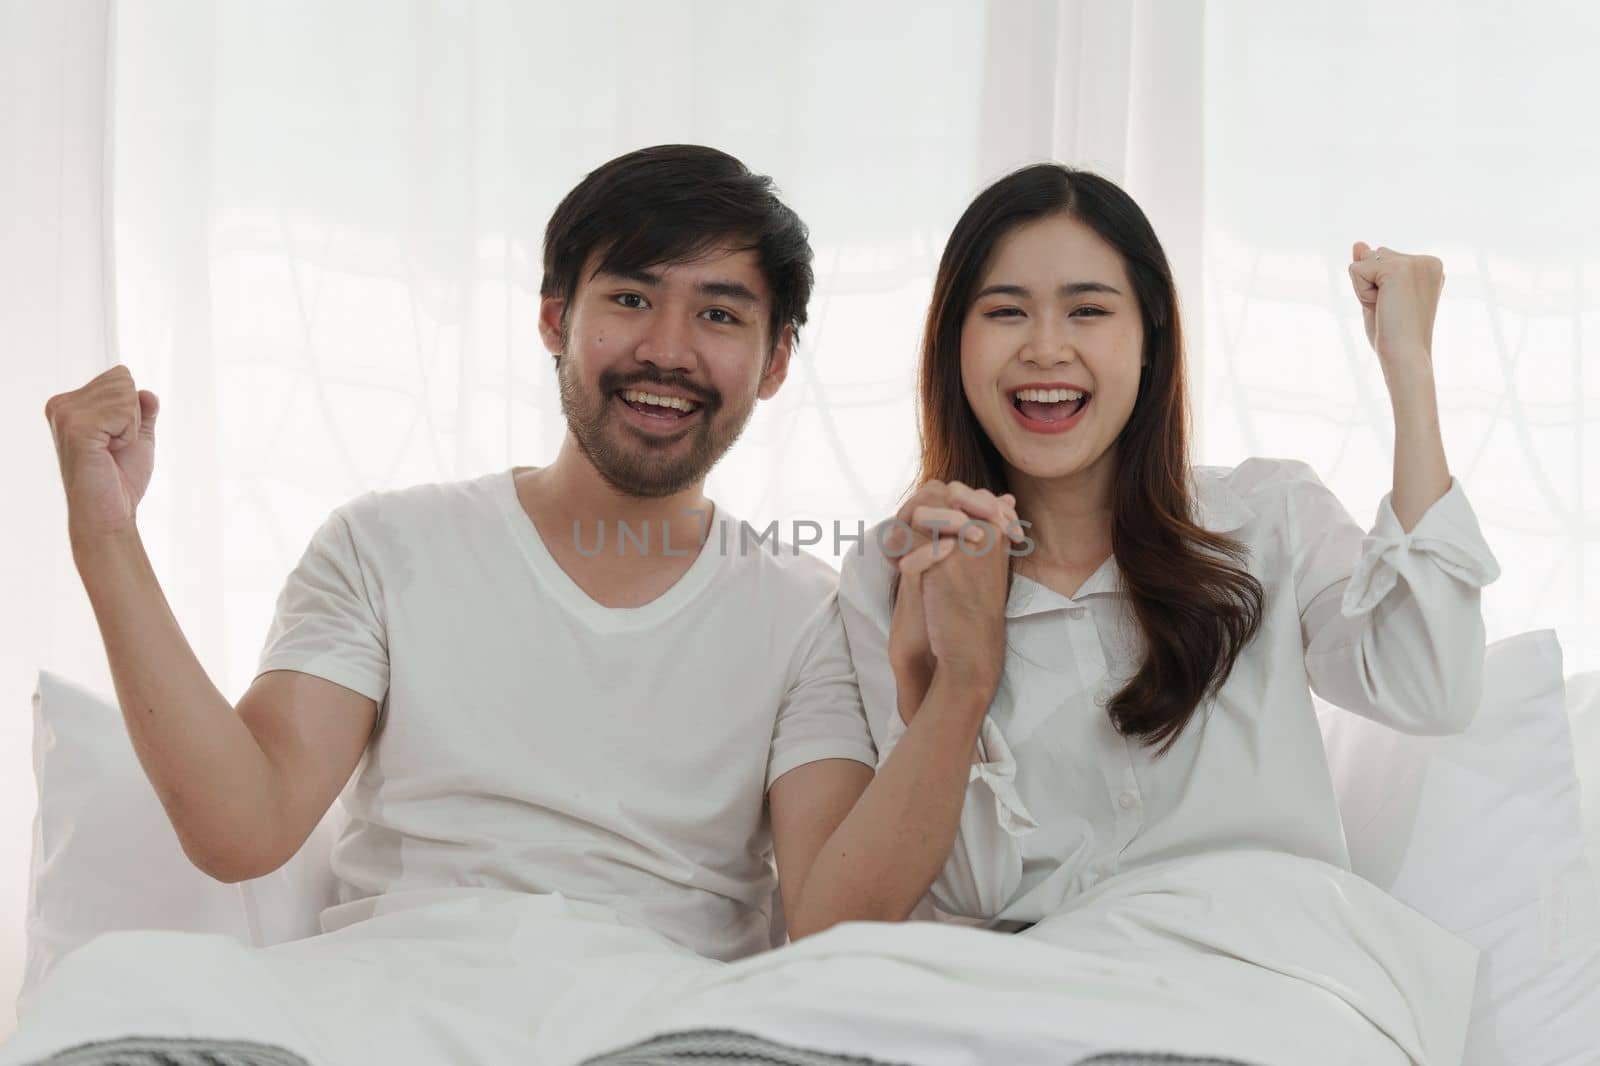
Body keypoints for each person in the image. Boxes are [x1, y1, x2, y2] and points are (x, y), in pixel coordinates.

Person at [8, 144, 1008, 1066]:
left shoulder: (801, 611)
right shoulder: (387, 545)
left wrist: (962, 683)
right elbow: (244, 823)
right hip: (382, 1003)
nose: (665, 350)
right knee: (115, 986)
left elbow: (833, 922)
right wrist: (107, 536)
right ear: (552, 317)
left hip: (659, 1018)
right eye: (629, 297)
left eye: (718, 313)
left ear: (776, 359)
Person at [829, 163, 1503, 1061]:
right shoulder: (904, 566)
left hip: (1278, 980)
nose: (1044, 347)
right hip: (1041, 1001)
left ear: (1150, 339)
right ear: (954, 343)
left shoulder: (1266, 518)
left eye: (1088, 310)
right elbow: (956, 887)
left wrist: (1409, 375)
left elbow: (1432, 685)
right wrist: (954, 671)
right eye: (1004, 311)